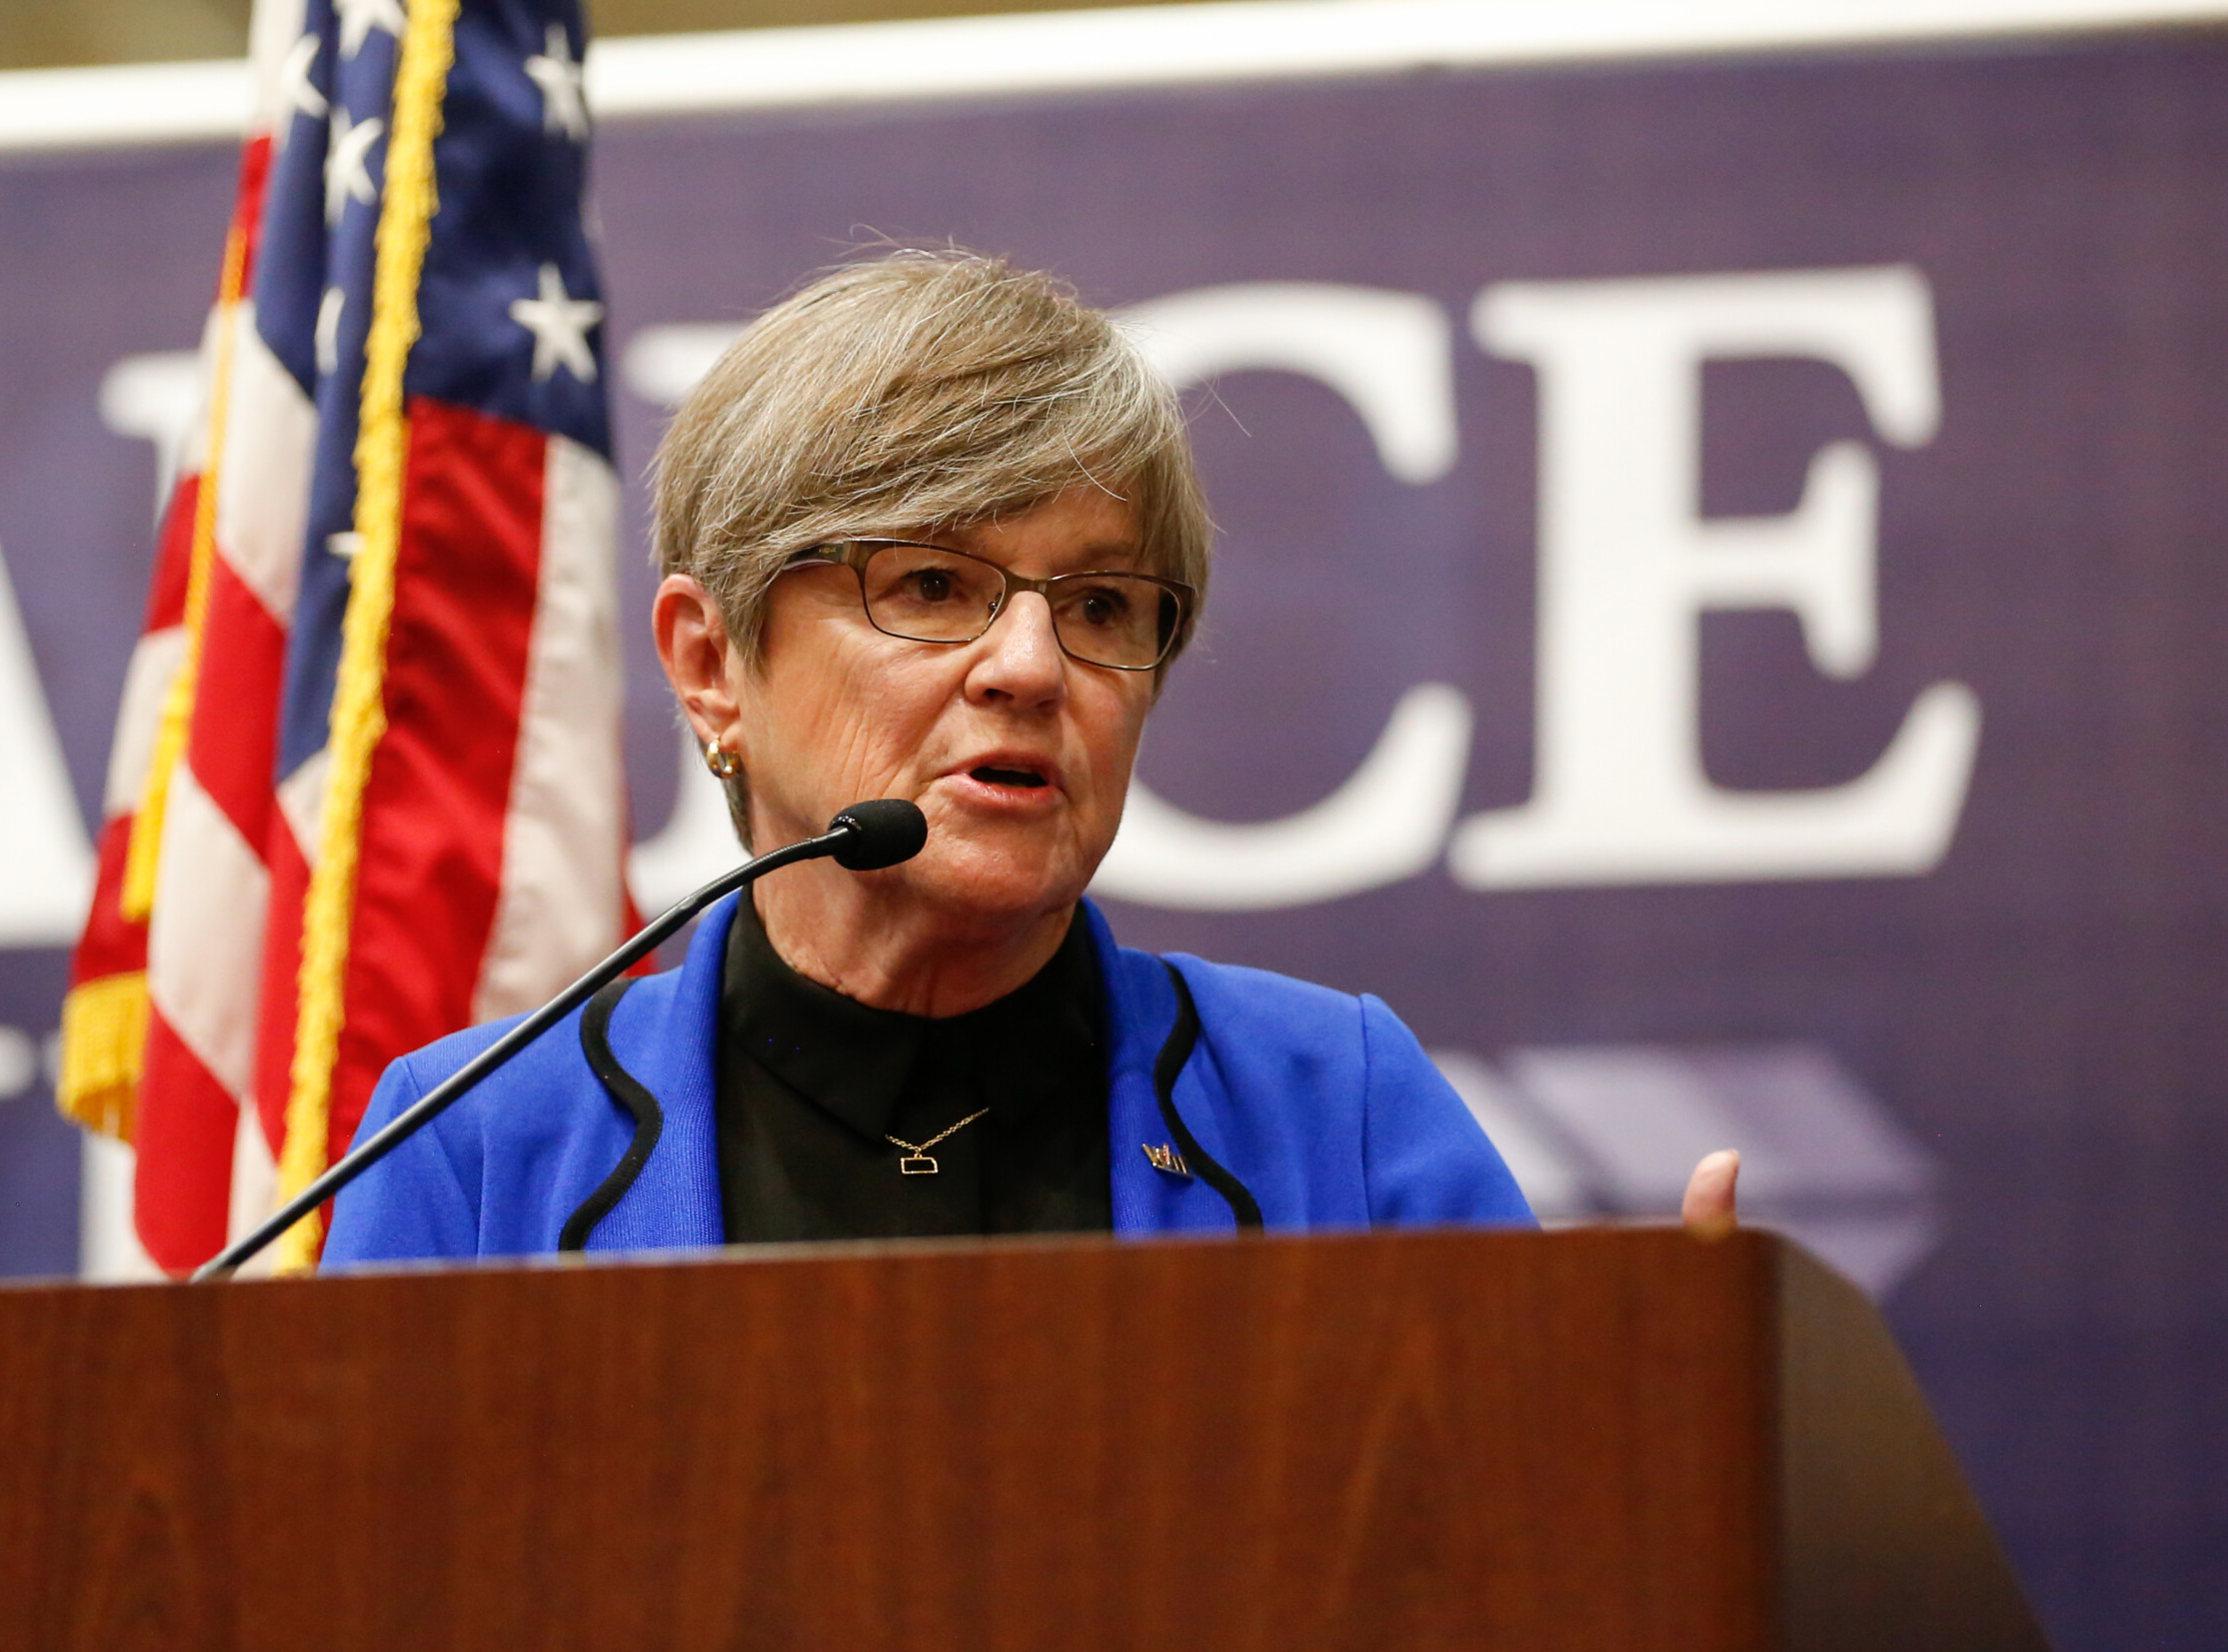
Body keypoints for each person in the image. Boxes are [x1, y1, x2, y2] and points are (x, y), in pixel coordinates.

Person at [322, 251, 1737, 1265]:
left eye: (1102, 607)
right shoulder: (479, 1140)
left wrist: (1659, 1470)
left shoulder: (1339, 1106)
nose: (1030, 666)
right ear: (710, 665)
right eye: (931, 587)